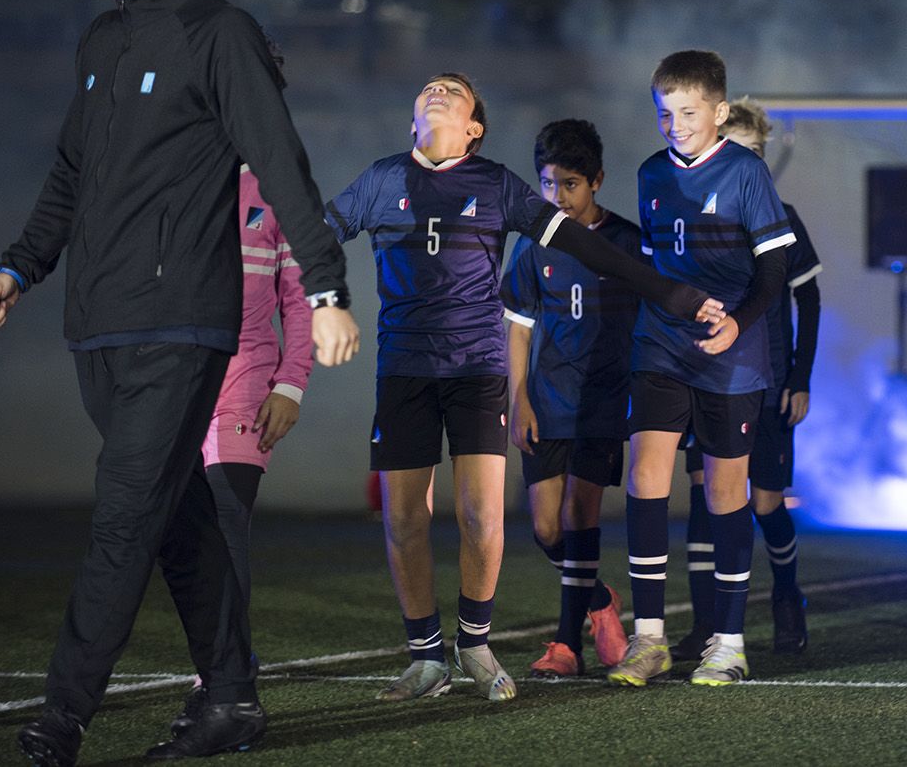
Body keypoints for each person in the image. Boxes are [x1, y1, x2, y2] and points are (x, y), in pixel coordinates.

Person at [0, 0, 359, 767]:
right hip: (96, 327)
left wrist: (329, 289)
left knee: (122, 520)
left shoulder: (219, 33)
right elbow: (71, 174)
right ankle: (230, 699)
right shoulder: (101, 41)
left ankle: (60, 721)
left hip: (180, 324)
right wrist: (19, 267)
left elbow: (284, 163)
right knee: (177, 518)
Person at [323, 73, 722, 705]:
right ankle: (425, 657)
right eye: (428, 89)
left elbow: (593, 250)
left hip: (478, 370)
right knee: (405, 516)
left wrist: (675, 294)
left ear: (473, 128)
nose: (437, 92)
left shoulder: (496, 185)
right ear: (411, 121)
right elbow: (314, 235)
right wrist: (318, 294)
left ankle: (475, 645)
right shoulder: (381, 179)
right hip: (403, 369)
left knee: (483, 513)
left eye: (452, 92)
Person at [607, 51, 795, 689]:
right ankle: (650, 638)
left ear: (718, 111)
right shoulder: (650, 174)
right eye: (665, 112)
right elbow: (658, 269)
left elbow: (775, 272)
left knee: (722, 494)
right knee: (645, 473)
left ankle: (729, 641)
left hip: (732, 354)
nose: (675, 123)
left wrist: (739, 323)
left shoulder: (747, 173)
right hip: (661, 345)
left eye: (688, 112)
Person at [169, 145, 314, 735]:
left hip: (246, 382)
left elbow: (300, 300)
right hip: (176, 384)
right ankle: (228, 667)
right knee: (179, 534)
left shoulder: (278, 188)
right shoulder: (171, 173)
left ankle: (221, 685)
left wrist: (292, 384)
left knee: (226, 525)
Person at [673, 98, 820, 659]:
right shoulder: (691, 213)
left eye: (757, 153)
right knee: (703, 497)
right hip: (704, 375)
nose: (747, 162)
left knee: (763, 504)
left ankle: (788, 598)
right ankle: (703, 623)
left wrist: (799, 375)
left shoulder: (779, 216)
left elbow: (808, 296)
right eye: (738, 150)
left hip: (765, 380)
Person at [501, 119, 635, 678]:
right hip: (548, 401)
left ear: (597, 181)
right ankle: (601, 601)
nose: (558, 197)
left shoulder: (629, 242)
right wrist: (519, 398)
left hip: (601, 403)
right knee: (546, 529)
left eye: (571, 184)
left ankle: (565, 646)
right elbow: (518, 326)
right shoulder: (535, 244)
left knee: (581, 519)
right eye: (548, 184)